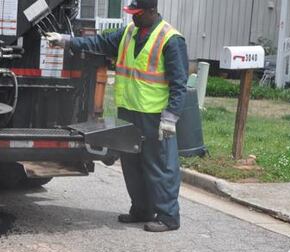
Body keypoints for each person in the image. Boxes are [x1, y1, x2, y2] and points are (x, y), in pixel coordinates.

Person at [47, 0, 188, 232]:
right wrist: (67, 41)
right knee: (132, 163)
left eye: (137, 14)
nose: (133, 18)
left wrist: (171, 117)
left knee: (160, 165)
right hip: (129, 111)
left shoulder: (171, 39)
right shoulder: (130, 32)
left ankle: (169, 217)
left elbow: (179, 83)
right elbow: (99, 42)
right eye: (131, 13)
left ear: (152, 12)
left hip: (155, 116)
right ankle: (141, 210)